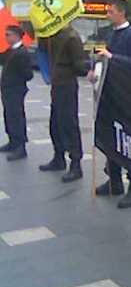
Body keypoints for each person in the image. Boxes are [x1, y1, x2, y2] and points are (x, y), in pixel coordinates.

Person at [90, 0, 131, 209]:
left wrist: (111, 56)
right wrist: (94, 69)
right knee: (110, 138)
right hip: (110, 94)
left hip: (127, 97)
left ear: (121, 13)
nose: (107, 15)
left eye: (110, 11)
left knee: (127, 141)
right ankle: (114, 181)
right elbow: (105, 60)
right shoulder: (112, 33)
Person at [39, 24, 88, 182]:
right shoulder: (52, 34)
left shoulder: (72, 37)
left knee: (68, 123)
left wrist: (88, 67)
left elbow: (79, 64)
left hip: (67, 84)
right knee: (55, 123)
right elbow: (44, 51)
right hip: (57, 83)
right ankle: (58, 156)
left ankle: (75, 164)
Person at [0, 25, 33, 161]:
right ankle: (12, 141)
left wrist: (15, 79)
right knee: (8, 115)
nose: (6, 37)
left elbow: (28, 74)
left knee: (16, 117)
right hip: (7, 89)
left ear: (16, 36)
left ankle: (20, 147)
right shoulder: (11, 50)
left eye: (8, 35)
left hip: (16, 90)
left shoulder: (22, 52)